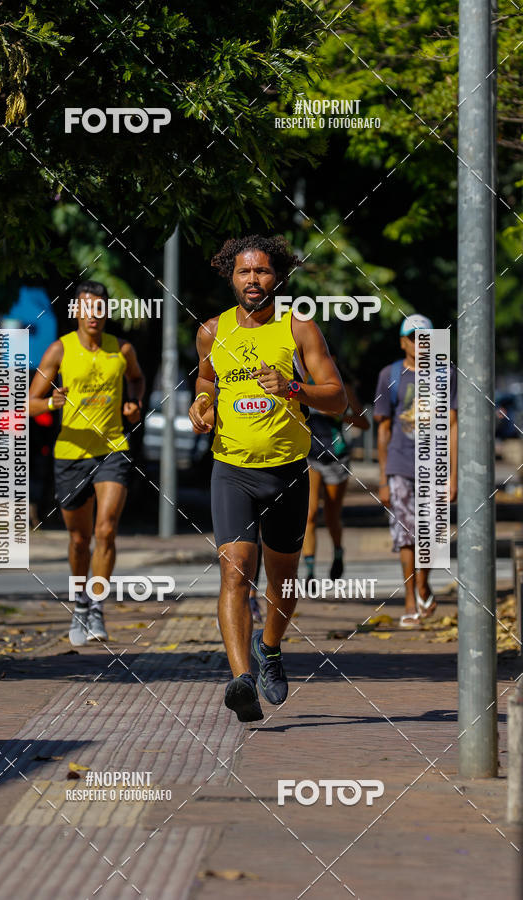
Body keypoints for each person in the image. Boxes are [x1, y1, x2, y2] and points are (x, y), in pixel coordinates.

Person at [188, 234, 346, 722]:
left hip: (287, 474)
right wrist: (202, 403)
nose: (253, 280)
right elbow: (206, 379)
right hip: (231, 469)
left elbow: (338, 398)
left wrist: (295, 387)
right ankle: (241, 679)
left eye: (261, 271)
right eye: (244, 272)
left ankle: (270, 647)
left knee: (282, 585)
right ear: (229, 276)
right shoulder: (212, 331)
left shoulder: (298, 329)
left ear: (277, 276)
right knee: (235, 570)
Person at [29, 280, 145, 645]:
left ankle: (96, 604)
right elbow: (30, 402)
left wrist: (134, 403)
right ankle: (79, 602)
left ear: (106, 312)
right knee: (79, 540)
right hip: (70, 453)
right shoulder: (59, 351)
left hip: (113, 448)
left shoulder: (122, 349)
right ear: (77, 311)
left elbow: (137, 379)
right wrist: (51, 404)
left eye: (99, 308)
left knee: (105, 530)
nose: (93, 315)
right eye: (86, 308)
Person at [373, 314, 457, 627]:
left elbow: (452, 424)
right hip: (399, 465)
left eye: (427, 338)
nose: (420, 344)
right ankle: (410, 599)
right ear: (403, 342)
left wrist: (453, 475)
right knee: (406, 536)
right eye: (414, 337)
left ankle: (423, 585)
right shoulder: (389, 375)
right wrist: (383, 478)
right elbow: (383, 429)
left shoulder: (447, 374)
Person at [303, 348, 370, 589]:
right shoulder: (303, 384)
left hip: (337, 457)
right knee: (309, 515)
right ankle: (309, 571)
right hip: (310, 456)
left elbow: (364, 423)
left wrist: (338, 414)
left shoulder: (343, 389)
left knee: (332, 516)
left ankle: (338, 552)